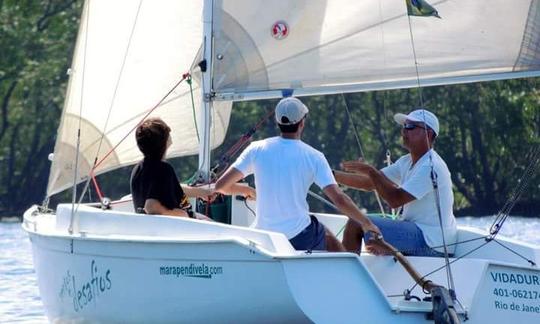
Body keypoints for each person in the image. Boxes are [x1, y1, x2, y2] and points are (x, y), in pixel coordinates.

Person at [215, 97, 381, 252]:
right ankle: (347, 276)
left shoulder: (256, 148)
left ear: (277, 121)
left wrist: (246, 191)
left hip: (264, 236)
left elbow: (221, 186)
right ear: (302, 123)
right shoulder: (314, 156)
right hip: (299, 237)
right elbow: (339, 199)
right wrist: (367, 224)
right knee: (328, 237)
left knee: (319, 230)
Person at [335, 109, 457, 257]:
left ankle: (345, 276)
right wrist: (330, 175)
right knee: (364, 225)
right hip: (419, 234)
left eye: (411, 127)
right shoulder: (406, 161)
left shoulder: (431, 166)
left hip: (433, 242)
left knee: (357, 221)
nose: (404, 131)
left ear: (429, 134)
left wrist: (372, 171)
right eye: (404, 126)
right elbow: (369, 183)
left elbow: (395, 200)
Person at [130, 117, 254, 218]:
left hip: (161, 227)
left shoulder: (139, 169)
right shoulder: (163, 169)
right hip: (178, 227)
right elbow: (151, 207)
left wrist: (204, 193)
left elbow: (173, 188)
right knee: (214, 228)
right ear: (164, 141)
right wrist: (182, 215)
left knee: (207, 221)